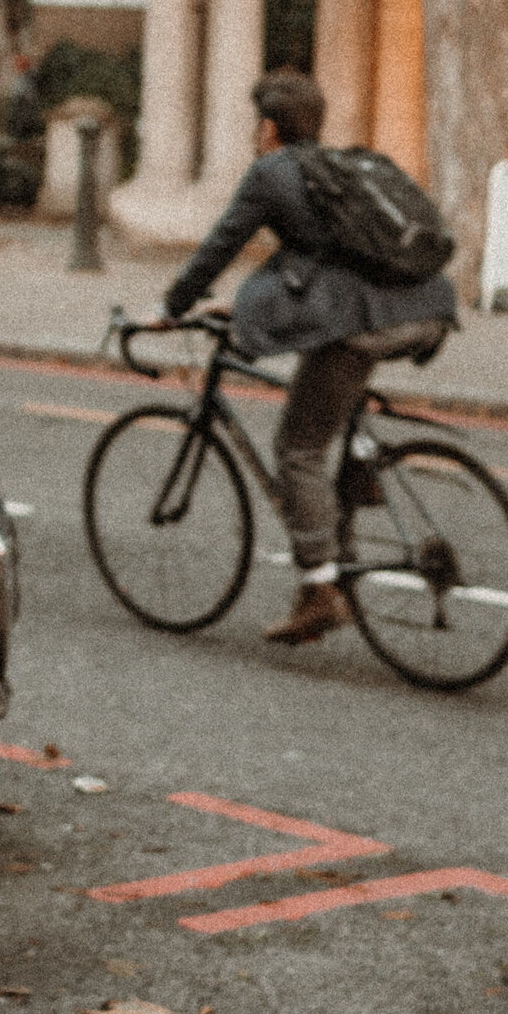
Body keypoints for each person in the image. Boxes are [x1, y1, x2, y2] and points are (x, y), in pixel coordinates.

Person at [161, 68, 457, 644]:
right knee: (331, 414)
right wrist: (242, 309)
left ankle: (321, 589)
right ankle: (351, 496)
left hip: (363, 323)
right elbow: (313, 267)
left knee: (297, 448)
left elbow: (223, 243)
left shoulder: (273, 173)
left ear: (268, 127)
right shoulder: (344, 169)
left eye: (257, 123)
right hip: (423, 309)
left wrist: (176, 304)